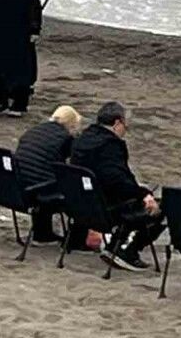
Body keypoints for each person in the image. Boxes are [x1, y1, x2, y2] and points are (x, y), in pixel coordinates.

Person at [70, 102, 165, 271]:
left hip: (79, 205)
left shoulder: (81, 140)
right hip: (105, 208)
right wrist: (143, 193)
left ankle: (113, 243)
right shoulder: (111, 146)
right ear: (117, 123)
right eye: (125, 126)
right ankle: (125, 249)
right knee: (164, 207)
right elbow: (118, 182)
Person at [13, 105, 82, 244]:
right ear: (71, 124)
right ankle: (75, 239)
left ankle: (42, 232)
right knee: (75, 191)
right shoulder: (65, 138)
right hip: (39, 189)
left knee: (40, 173)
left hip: (18, 184)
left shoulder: (33, 131)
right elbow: (70, 164)